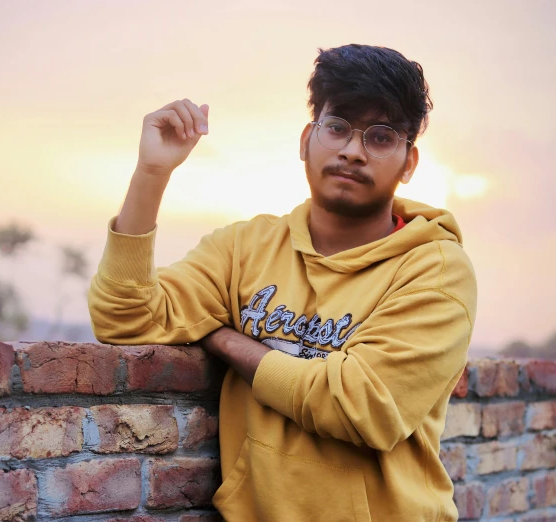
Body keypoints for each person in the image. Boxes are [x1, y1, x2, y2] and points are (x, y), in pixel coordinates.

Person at [88, 43, 477, 522]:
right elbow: (125, 320)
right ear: (305, 141)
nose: (353, 151)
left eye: (380, 137)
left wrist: (227, 341)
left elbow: (361, 408)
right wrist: (152, 172)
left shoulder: (436, 269)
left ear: (408, 162)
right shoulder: (245, 248)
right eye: (337, 128)